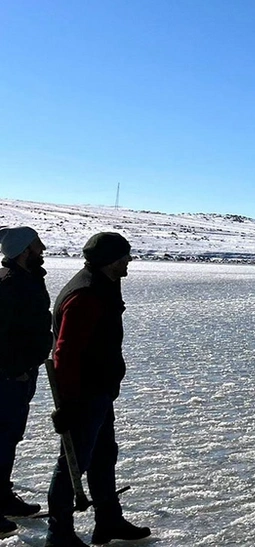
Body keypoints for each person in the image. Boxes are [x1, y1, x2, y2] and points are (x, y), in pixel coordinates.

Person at [45, 232, 150, 547]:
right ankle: (59, 533)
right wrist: (68, 404)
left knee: (103, 457)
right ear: (110, 260)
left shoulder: (102, 284)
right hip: (84, 395)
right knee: (71, 464)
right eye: (125, 256)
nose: (129, 260)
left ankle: (108, 520)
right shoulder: (86, 294)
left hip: (99, 391)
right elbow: (66, 352)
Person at [0, 227, 53, 538]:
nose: (42, 248)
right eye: (37, 245)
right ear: (23, 251)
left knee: (9, 438)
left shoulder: (28, 279)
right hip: (8, 376)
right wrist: (11, 369)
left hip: (22, 373)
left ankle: (3, 496)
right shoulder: (8, 286)